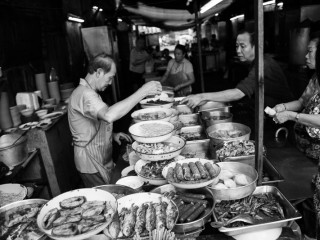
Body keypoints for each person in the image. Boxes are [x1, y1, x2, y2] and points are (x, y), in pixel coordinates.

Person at [68, 54, 162, 187]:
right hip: (91, 162)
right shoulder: (84, 93)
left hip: (100, 158)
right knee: (108, 197)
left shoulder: (89, 92)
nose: (111, 83)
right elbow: (108, 115)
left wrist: (111, 135)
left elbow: (88, 126)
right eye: (110, 78)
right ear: (99, 72)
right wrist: (143, 91)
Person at [181, 30, 293, 109]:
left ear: (255, 47)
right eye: (236, 46)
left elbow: (239, 93)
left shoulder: (263, 64)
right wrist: (207, 99)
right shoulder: (256, 62)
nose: (238, 51)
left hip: (283, 112)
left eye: (243, 46)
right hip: (269, 108)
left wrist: (202, 96)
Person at [271, 38, 320, 159]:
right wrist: (282, 107)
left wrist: (291, 116)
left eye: (310, 51)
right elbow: (301, 101)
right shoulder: (315, 78)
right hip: (304, 146)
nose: (306, 56)